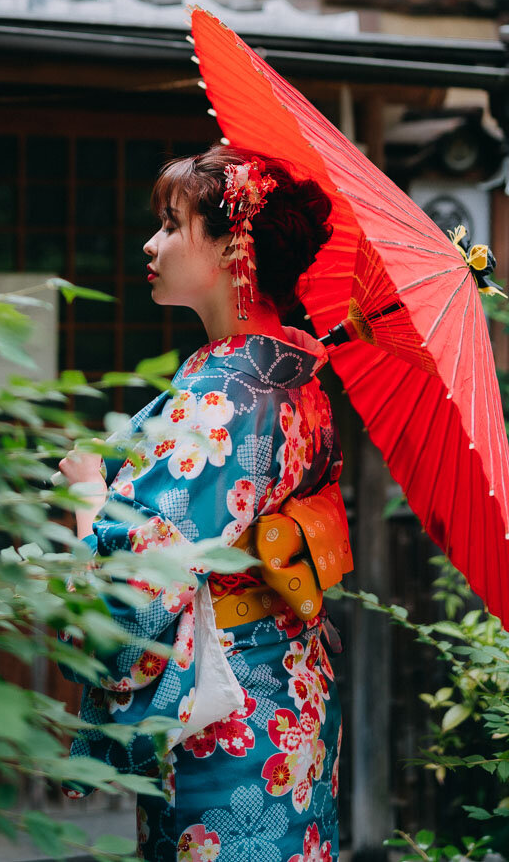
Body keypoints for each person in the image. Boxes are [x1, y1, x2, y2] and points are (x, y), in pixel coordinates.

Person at [59, 144, 346, 862]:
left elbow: (140, 591)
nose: (150, 244)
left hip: (231, 710)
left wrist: (87, 490)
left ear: (231, 245)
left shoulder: (226, 392)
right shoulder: (292, 371)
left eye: (171, 225)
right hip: (284, 674)